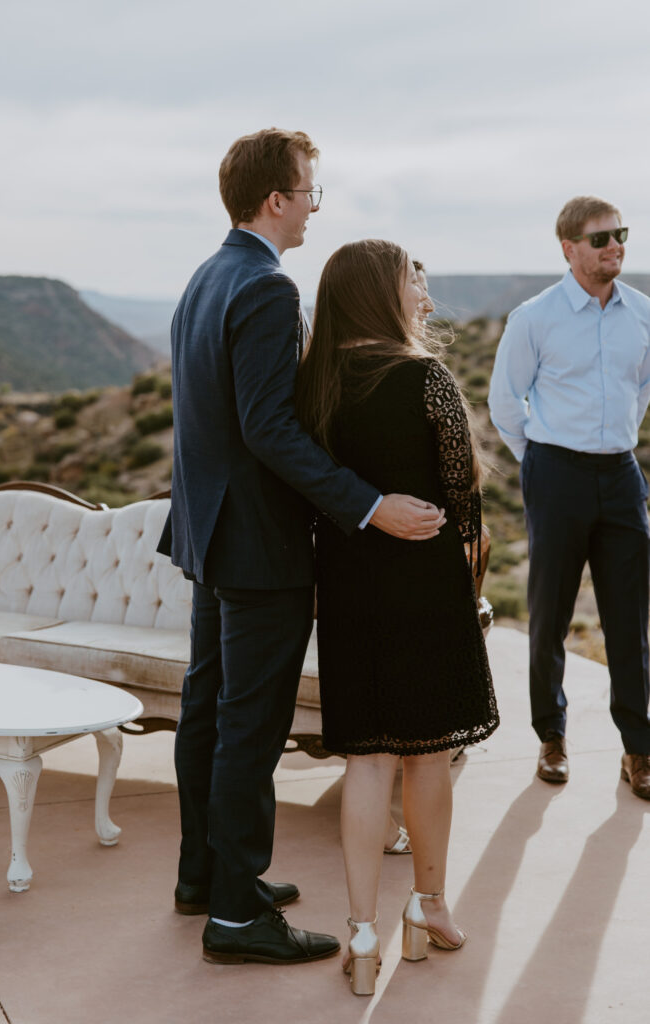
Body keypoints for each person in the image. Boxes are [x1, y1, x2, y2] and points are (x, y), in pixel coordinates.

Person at [157, 129, 447, 967]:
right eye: (309, 192)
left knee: (207, 713)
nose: (315, 206)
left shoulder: (205, 277)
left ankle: (206, 876)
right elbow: (268, 429)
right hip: (256, 547)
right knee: (249, 729)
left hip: (209, 536)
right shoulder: (266, 289)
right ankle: (240, 916)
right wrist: (366, 506)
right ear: (277, 200)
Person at [295, 239, 499, 994]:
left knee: (367, 758)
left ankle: (359, 931)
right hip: (421, 582)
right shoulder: (425, 376)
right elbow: (463, 499)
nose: (424, 292)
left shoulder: (312, 384)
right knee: (426, 753)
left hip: (347, 584)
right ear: (382, 291)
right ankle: (428, 905)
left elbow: (307, 481)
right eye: (414, 278)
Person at [488, 195, 650, 800]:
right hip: (555, 473)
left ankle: (639, 749)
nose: (615, 247)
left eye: (620, 235)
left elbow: (642, 387)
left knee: (630, 618)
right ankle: (551, 737)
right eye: (602, 238)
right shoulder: (535, 317)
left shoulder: (643, 313)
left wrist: (616, 440)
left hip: (621, 476)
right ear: (570, 249)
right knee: (550, 613)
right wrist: (540, 462)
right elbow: (506, 403)